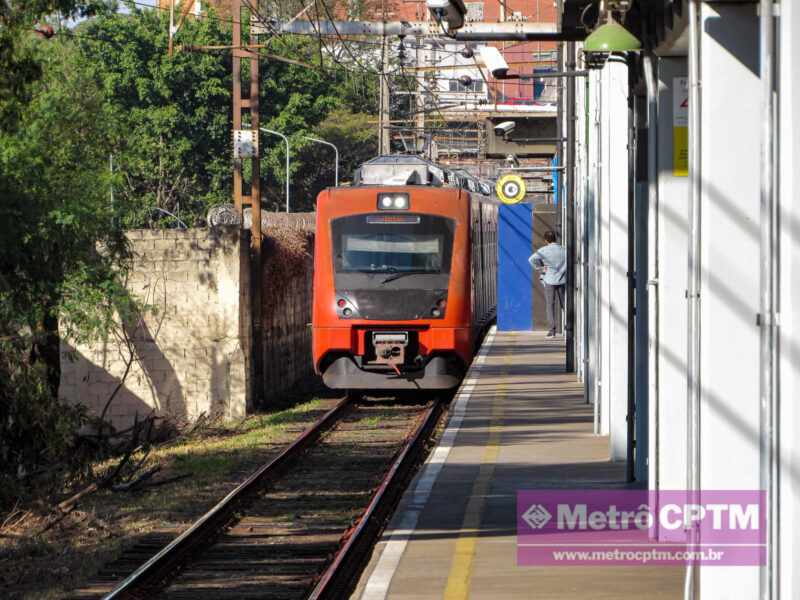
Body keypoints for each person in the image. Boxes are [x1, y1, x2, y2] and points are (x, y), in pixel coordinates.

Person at [529, 230, 566, 338]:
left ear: (546, 240)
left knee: (550, 305)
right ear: (556, 238)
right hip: (562, 280)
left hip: (549, 280)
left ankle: (552, 331)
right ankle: (569, 327)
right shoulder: (564, 250)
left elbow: (531, 259)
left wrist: (540, 268)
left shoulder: (543, 250)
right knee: (565, 304)